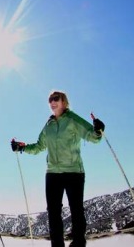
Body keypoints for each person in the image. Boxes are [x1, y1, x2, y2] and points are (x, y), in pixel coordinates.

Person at [11, 90, 105, 247]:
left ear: (64, 102)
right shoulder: (48, 125)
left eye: (56, 99)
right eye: (50, 100)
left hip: (73, 172)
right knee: (53, 213)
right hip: (53, 174)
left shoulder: (72, 119)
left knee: (76, 210)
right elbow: (39, 146)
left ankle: (78, 244)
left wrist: (98, 130)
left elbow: (93, 137)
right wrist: (22, 147)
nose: (52, 102)